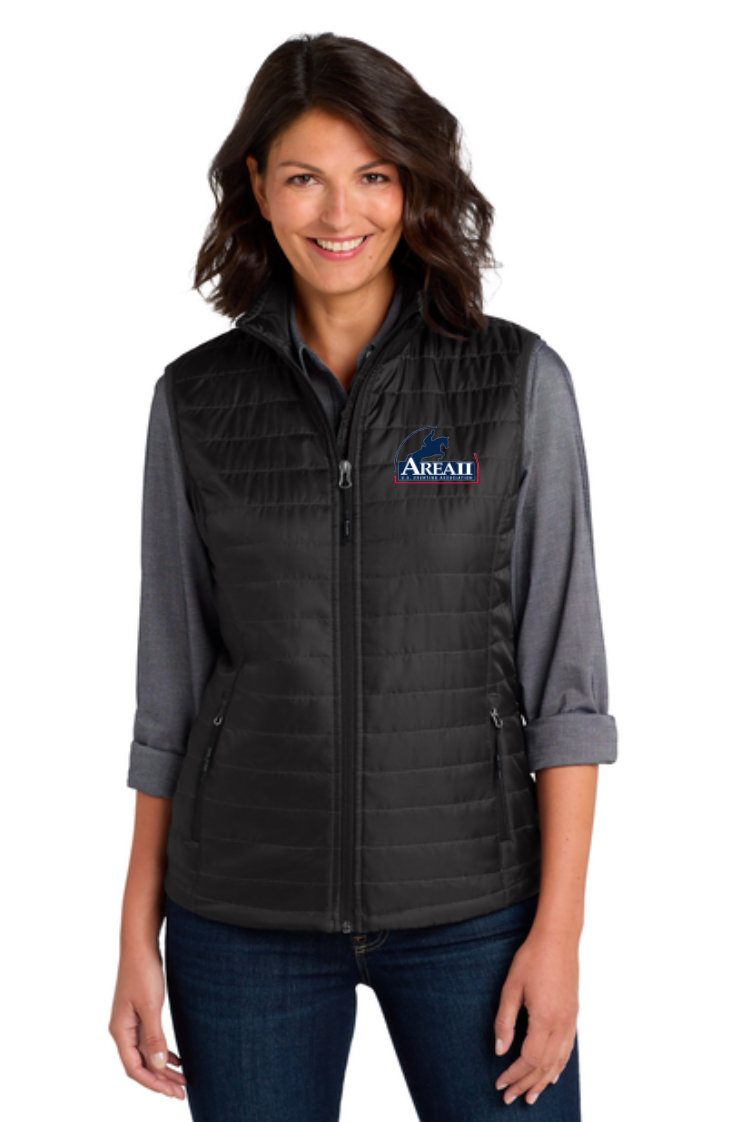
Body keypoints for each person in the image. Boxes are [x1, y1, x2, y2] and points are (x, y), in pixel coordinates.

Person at [109, 32, 617, 1122]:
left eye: (373, 176)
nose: (340, 214)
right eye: (304, 178)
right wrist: (134, 937)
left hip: (477, 909)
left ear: (413, 183)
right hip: (240, 915)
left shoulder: (515, 382)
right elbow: (172, 692)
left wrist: (559, 935)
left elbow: (567, 691)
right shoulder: (195, 400)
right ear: (257, 186)